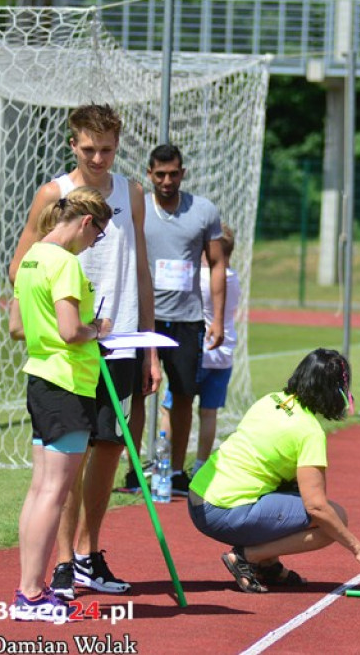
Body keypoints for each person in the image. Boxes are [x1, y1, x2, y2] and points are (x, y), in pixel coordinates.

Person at [8, 103, 159, 602]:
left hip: (121, 339)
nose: (98, 158)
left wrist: (149, 343)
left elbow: (139, 265)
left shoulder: (133, 192)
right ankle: (63, 562)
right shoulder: (54, 192)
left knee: (110, 446)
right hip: (73, 343)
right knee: (70, 456)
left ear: (118, 146)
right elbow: (25, 261)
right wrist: (44, 316)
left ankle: (90, 552)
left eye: (107, 149)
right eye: (88, 148)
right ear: (72, 144)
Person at [187, 348, 360, 592]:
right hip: (221, 510)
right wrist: (359, 549)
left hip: (198, 496)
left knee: (292, 488)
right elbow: (317, 507)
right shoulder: (309, 431)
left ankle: (268, 565)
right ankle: (248, 557)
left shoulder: (271, 399)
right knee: (333, 519)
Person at [10, 187, 115, 621]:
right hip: (67, 382)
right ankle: (31, 594)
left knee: (40, 491)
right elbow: (72, 330)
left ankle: (28, 590)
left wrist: (56, 332)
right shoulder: (66, 263)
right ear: (87, 223)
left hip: (41, 379)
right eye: (99, 236)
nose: (94, 244)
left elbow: (16, 327)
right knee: (52, 493)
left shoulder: (32, 257)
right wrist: (99, 329)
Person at [125, 143, 226, 498]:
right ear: (149, 174)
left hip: (188, 320)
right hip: (145, 319)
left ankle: (178, 471)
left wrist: (216, 319)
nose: (167, 180)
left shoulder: (203, 211)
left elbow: (217, 265)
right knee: (139, 393)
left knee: (184, 395)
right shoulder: (139, 208)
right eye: (160, 174)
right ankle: (135, 469)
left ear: (183, 173)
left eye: (174, 173)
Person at [159, 224, 241, 477]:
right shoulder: (234, 278)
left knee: (171, 408)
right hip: (223, 354)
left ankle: (167, 463)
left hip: (198, 350)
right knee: (208, 413)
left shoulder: (204, 278)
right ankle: (201, 465)